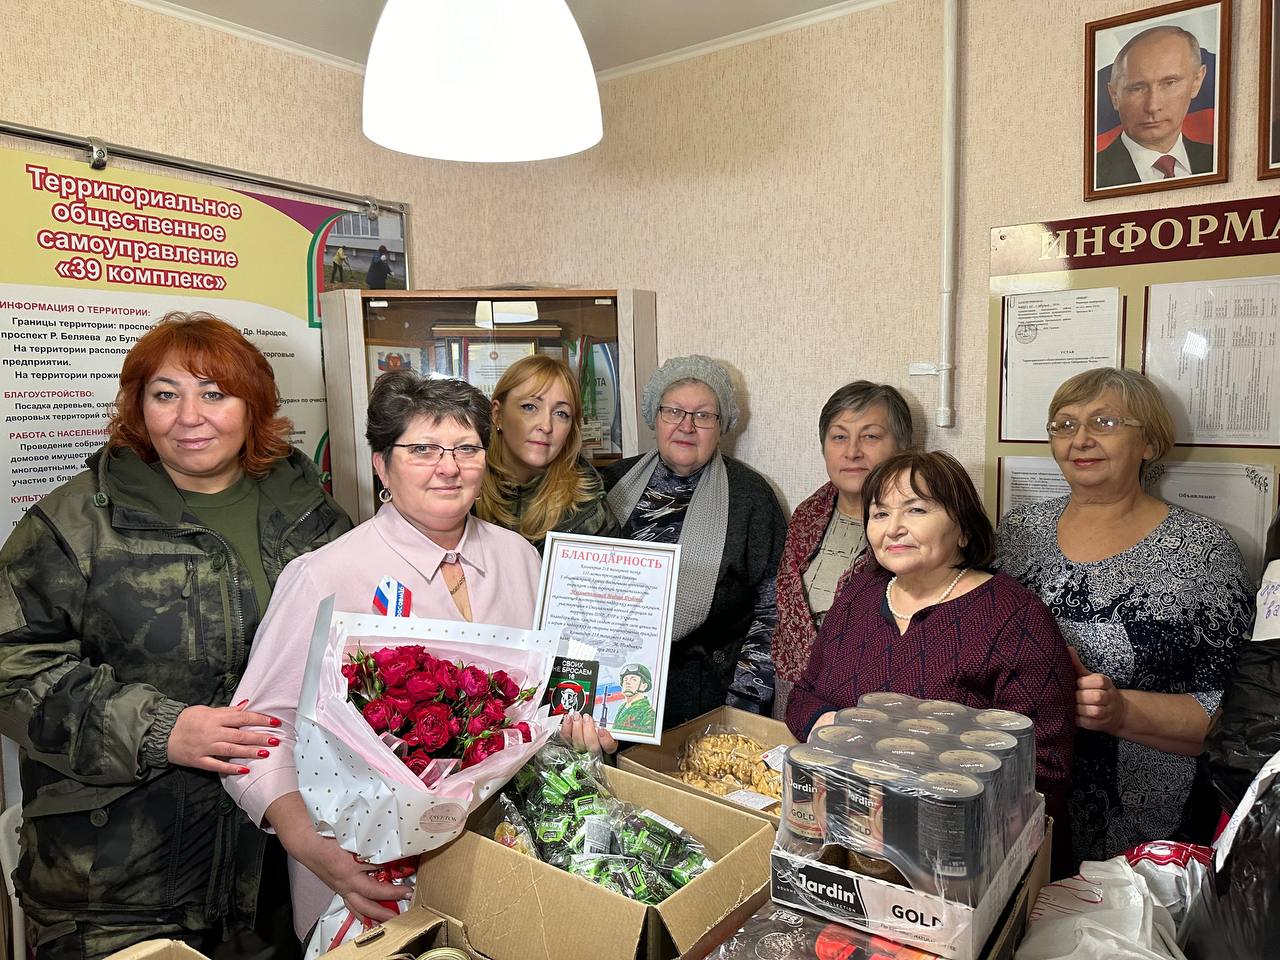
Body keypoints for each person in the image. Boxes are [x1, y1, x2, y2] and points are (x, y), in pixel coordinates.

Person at [0, 311, 351, 959]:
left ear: (254, 405)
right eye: (166, 394)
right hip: (117, 881)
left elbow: (361, 652)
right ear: (139, 407)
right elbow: (13, 671)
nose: (190, 416)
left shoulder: (309, 515)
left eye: (214, 393)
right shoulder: (76, 522)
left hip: (273, 867)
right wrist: (163, 729)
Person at [224, 371, 542, 940]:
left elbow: (543, 699)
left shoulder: (519, 556)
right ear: (380, 465)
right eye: (422, 449)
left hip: (505, 851)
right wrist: (310, 846)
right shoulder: (324, 575)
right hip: (367, 869)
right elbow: (258, 732)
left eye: (467, 448)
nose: (449, 467)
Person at [996, 367, 1253, 864]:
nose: (1081, 439)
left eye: (1106, 422)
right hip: (1025, 801)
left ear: (1150, 443)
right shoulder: (1018, 532)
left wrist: (1119, 711)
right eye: (1064, 425)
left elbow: (1233, 715)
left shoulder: (1202, 551)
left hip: (1145, 822)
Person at [786, 451, 1076, 835]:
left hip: (956, 844)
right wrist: (837, 731)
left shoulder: (1014, 616)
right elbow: (803, 695)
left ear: (964, 529)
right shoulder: (860, 593)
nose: (893, 529)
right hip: (843, 824)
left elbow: (1043, 769)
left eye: (916, 510)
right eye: (880, 513)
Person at [600, 355, 786, 734]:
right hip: (614, 692)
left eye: (703, 415)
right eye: (674, 411)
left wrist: (743, 708)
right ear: (655, 416)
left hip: (711, 702)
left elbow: (773, 612)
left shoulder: (751, 498)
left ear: (723, 426)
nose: (687, 425)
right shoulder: (609, 484)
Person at [771, 381, 913, 719]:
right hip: (793, 697)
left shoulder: (919, 529)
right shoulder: (806, 516)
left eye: (870, 436)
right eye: (839, 437)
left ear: (903, 447)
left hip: (875, 710)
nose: (852, 451)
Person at [475, 354, 617, 552]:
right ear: (498, 415)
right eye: (530, 407)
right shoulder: (461, 486)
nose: (546, 426)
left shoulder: (590, 513)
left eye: (561, 414)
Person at [1097, 25, 1212, 188]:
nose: (1152, 106)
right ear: (1114, 96)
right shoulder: (1095, 175)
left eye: (1170, 83)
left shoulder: (1214, 159)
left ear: (1196, 81)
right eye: (1137, 88)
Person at [610, 664, 656, 735]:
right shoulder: (622, 707)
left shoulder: (648, 713)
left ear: (644, 686)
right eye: (625, 680)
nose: (627, 682)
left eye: (634, 679)